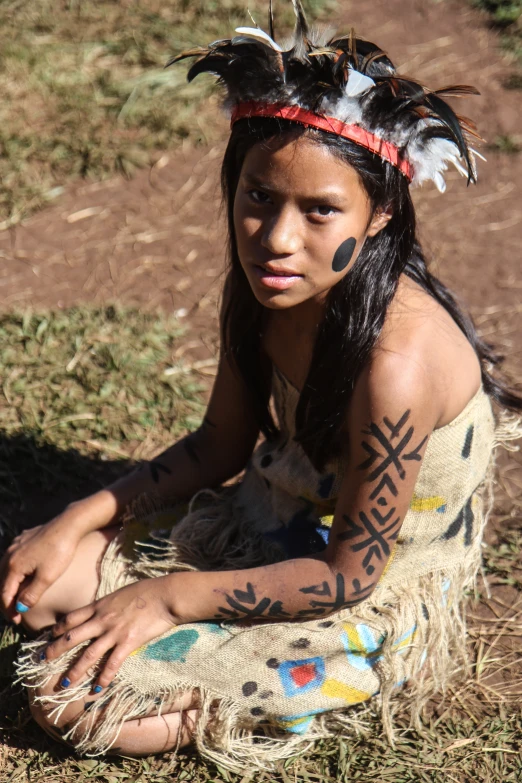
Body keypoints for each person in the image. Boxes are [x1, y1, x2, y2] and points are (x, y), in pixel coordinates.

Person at [3, 0, 521, 772]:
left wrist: (168, 597)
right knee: (34, 588)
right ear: (233, 186)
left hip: (364, 589)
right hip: (267, 512)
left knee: (67, 699)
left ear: (379, 214)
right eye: (258, 199)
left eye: (319, 211)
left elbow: (351, 572)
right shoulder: (263, 287)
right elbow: (220, 444)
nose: (277, 238)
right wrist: (77, 519)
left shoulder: (395, 363)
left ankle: (323, 684)